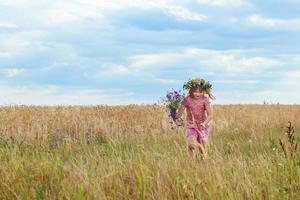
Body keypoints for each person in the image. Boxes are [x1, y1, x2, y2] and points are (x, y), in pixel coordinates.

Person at [176, 77, 214, 160]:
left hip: (202, 126)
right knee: (191, 145)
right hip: (191, 125)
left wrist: (204, 123)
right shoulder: (187, 99)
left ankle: (203, 161)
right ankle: (191, 163)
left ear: (203, 91)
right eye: (195, 92)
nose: (197, 94)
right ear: (191, 91)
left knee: (202, 147)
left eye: (200, 92)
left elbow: (210, 115)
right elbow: (180, 112)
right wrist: (178, 116)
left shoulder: (205, 99)